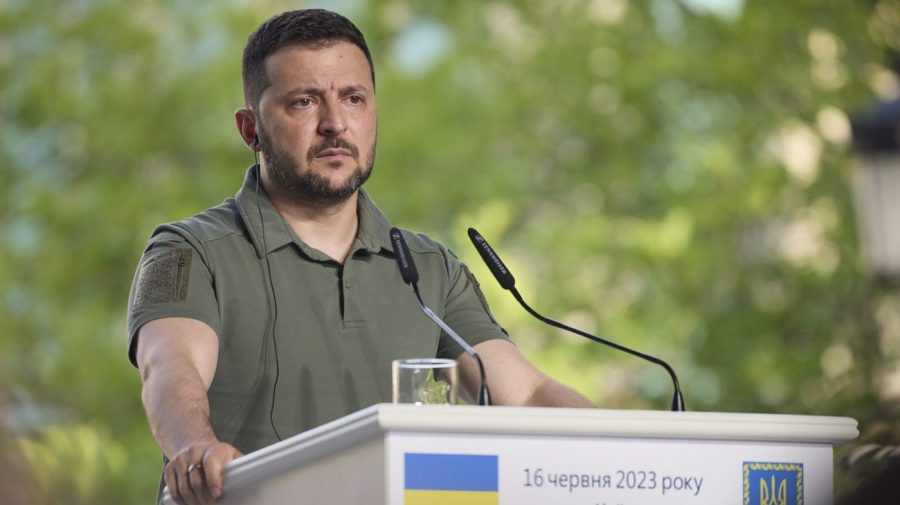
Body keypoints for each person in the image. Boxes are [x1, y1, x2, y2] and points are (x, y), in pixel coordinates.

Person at [127, 8, 592, 505]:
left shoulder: (429, 268)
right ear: (250, 129)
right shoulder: (188, 251)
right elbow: (170, 367)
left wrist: (626, 451)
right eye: (304, 102)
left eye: (353, 98)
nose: (334, 124)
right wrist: (195, 448)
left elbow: (527, 395)